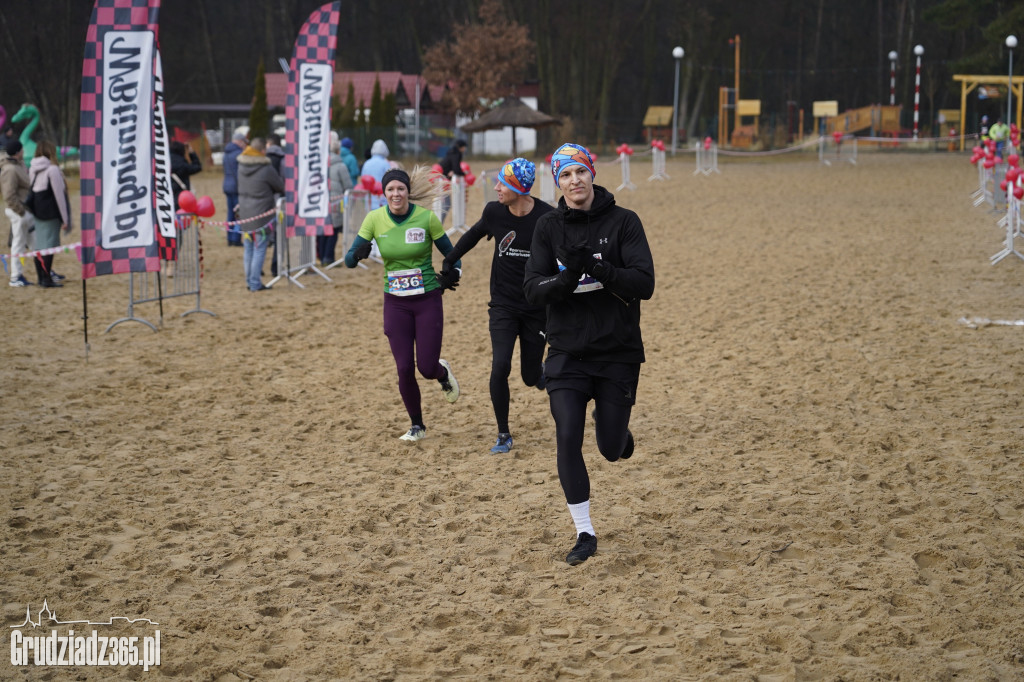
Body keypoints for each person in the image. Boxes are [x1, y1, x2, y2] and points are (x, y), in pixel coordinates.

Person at [523, 143, 655, 566]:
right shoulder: (547, 228)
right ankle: (584, 530)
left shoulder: (624, 222)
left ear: (592, 174)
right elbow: (532, 290)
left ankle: (616, 432)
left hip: (617, 352)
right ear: (557, 182)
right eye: (565, 175)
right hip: (565, 352)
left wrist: (597, 268)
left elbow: (644, 283)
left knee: (611, 450)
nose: (574, 181)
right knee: (566, 435)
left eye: (580, 172)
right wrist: (565, 281)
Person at [442, 158, 552, 454]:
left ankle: (539, 373)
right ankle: (503, 434)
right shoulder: (494, 212)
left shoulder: (548, 218)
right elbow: (473, 236)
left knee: (530, 377)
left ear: (519, 187)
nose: (496, 187)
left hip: (536, 308)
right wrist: (450, 260)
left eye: (502, 182)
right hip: (502, 305)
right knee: (500, 365)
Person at [344, 167, 462, 442]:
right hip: (395, 303)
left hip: (427, 300)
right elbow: (348, 260)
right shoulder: (374, 219)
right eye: (390, 190)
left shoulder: (426, 218)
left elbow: (453, 255)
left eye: (400, 189)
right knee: (404, 368)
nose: (396, 194)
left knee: (426, 367)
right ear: (384, 193)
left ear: (408, 191)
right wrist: (358, 254)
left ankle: (442, 373)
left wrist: (452, 274)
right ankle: (417, 425)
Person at [236, 137, 283, 292]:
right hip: (262, 214)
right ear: (262, 151)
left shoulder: (240, 166)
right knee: (259, 248)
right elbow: (279, 186)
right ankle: (255, 283)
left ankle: (250, 281)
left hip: (245, 214)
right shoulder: (266, 168)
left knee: (248, 248)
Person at [26, 140, 71, 288]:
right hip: (51, 213)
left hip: (37, 212)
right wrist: (65, 219)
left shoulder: (32, 168)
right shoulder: (53, 170)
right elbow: (59, 196)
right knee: (49, 247)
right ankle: (46, 279)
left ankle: (41, 277)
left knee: (39, 246)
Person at [165, 140, 202, 278]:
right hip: (181, 204)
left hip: (165, 203)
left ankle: (167, 262)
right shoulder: (182, 164)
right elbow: (198, 167)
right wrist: (192, 153)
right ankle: (172, 264)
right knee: (178, 234)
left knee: (166, 232)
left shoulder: (163, 163)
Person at [1, 139, 34, 287]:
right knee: (18, 244)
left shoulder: (19, 165)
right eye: (21, 150)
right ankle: (15, 277)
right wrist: (21, 212)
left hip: (25, 210)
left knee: (35, 242)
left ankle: (45, 270)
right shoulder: (10, 170)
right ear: (18, 152)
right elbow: (9, 195)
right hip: (18, 212)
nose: (23, 152)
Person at [318, 136, 353, 266]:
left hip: (320, 202)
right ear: (338, 151)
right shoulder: (340, 165)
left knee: (322, 230)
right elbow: (348, 185)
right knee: (333, 230)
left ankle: (322, 257)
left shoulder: (320, 164)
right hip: (336, 203)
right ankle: (328, 257)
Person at [265, 133, 286, 276]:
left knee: (260, 236)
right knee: (280, 236)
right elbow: (285, 180)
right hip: (280, 201)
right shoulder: (284, 159)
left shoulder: (262, 160)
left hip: (263, 201)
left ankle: (257, 269)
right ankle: (276, 267)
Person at [223, 130, 247, 246]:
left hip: (227, 186)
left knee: (230, 215)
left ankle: (229, 238)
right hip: (237, 188)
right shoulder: (240, 154)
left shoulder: (226, 153)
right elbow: (241, 174)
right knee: (239, 214)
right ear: (240, 141)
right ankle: (236, 239)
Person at [438, 139, 467, 224]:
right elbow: (456, 168)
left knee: (444, 204)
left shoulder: (451, 152)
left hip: (441, 179)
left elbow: (453, 169)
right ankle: (439, 224)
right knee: (446, 204)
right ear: (461, 147)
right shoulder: (456, 154)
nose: (465, 149)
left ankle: (439, 223)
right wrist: (463, 173)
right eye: (464, 147)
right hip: (442, 181)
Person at [361, 139, 392, 209]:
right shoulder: (386, 164)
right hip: (382, 201)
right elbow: (390, 181)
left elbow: (362, 180)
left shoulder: (366, 163)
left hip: (368, 200)